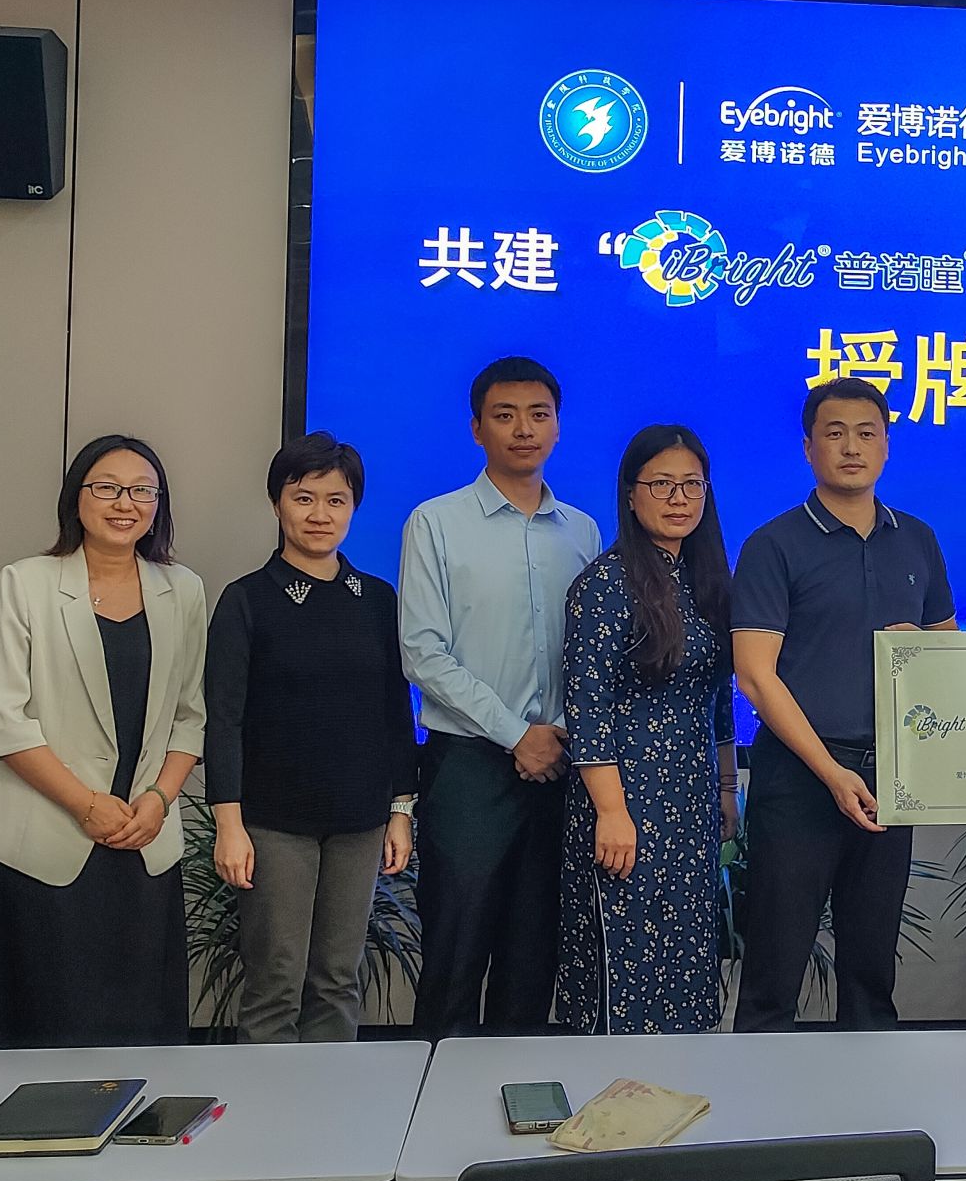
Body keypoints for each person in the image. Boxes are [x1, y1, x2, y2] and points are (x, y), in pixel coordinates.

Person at [0, 435, 206, 1050]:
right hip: (47, 837)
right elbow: (5, 719)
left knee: (140, 1035)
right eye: (107, 487)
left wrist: (159, 800)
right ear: (76, 498)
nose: (125, 503)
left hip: (143, 837)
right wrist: (86, 804)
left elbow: (190, 716)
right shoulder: (27, 582)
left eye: (142, 490)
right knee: (42, 1027)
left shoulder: (183, 590)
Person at [732, 377, 956, 1032]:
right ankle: (758, 1097)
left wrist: (926, 651)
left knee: (871, 971)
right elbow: (755, 677)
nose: (851, 447)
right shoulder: (774, 544)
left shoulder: (917, 539)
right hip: (799, 778)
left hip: (891, 776)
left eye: (866, 433)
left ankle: (870, 1094)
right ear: (809, 448)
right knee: (775, 969)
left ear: (887, 445)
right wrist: (831, 773)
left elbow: (950, 661)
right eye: (834, 434)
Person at [399, 357, 602, 1049]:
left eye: (539, 415)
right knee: (455, 952)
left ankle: (515, 1100)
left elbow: (592, 655)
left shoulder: (582, 531)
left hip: (560, 765)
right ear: (477, 429)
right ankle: (432, 1104)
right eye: (505, 415)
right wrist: (518, 734)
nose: (524, 429)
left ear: (558, 426)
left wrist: (557, 732)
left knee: (533, 954)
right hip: (469, 766)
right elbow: (423, 652)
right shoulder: (436, 523)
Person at [205, 432, 417, 1056]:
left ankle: (331, 1106)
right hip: (274, 824)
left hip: (359, 820)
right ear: (277, 503)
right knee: (276, 982)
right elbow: (224, 720)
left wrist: (400, 810)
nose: (320, 514)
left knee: (337, 980)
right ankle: (267, 1112)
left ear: (353, 508)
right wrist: (229, 825)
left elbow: (394, 712)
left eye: (336, 500)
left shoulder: (376, 600)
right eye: (304, 498)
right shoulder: (247, 600)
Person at [560, 425, 738, 1035]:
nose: (679, 498)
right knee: (626, 960)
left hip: (690, 802)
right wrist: (611, 812)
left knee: (686, 958)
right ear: (631, 494)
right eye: (661, 484)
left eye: (692, 484)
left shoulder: (707, 582)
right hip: (625, 799)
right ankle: (614, 1086)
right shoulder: (605, 584)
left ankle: (677, 1084)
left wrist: (727, 790)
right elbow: (587, 706)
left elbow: (719, 697)